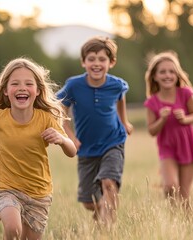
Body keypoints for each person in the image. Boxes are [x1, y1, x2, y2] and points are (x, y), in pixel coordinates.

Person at [0, 57, 76, 240]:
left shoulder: (46, 118)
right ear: (6, 91)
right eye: (15, 83)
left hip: (39, 192)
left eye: (28, 84)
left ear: (38, 91)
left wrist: (62, 140)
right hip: (6, 187)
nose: (22, 88)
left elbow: (72, 152)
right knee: (13, 229)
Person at [56, 36, 133, 226]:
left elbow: (121, 99)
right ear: (83, 62)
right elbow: (60, 111)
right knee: (89, 202)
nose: (96, 64)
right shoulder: (74, 85)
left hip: (113, 141)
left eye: (102, 59)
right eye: (91, 59)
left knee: (109, 183)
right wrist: (70, 136)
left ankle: (108, 230)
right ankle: (101, 212)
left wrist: (125, 122)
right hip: (86, 147)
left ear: (111, 62)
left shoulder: (117, 84)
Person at [143, 51, 193, 209]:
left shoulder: (185, 94)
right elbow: (151, 131)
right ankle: (173, 211)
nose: (167, 75)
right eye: (162, 72)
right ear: (155, 76)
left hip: (187, 146)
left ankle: (186, 225)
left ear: (177, 75)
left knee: (184, 194)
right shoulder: (152, 103)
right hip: (167, 147)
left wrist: (185, 119)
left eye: (171, 71)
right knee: (170, 186)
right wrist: (162, 119)